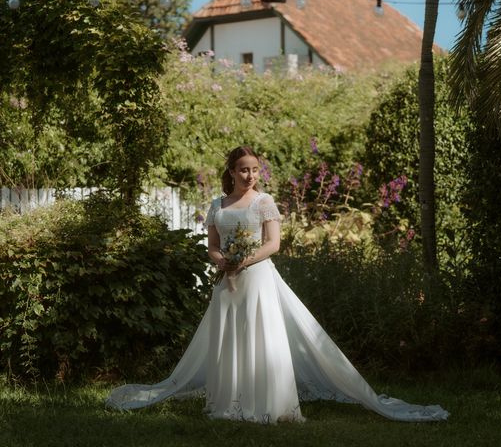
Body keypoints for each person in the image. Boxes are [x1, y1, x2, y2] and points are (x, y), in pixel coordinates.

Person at [106, 146, 449, 423]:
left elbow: (273, 244)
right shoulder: (217, 205)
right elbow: (211, 245)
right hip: (227, 282)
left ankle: (269, 404)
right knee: (230, 339)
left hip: (257, 279)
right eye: (243, 169)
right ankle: (230, 403)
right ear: (231, 171)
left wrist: (244, 260)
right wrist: (221, 261)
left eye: (254, 169)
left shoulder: (264, 202)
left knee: (261, 338)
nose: (250, 175)